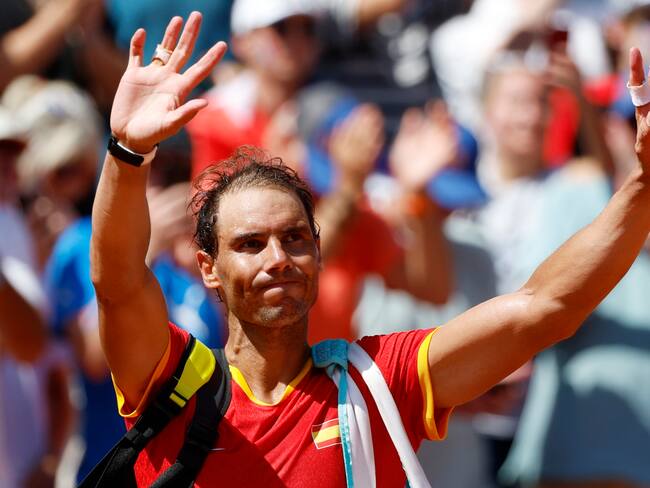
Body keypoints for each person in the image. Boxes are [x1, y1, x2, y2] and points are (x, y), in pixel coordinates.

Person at [91, 12, 650, 486]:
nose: (277, 258)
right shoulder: (171, 383)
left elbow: (544, 307)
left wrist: (641, 188)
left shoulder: (378, 381)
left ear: (319, 252)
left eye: (294, 239)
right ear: (209, 268)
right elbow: (117, 283)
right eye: (250, 243)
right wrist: (127, 152)